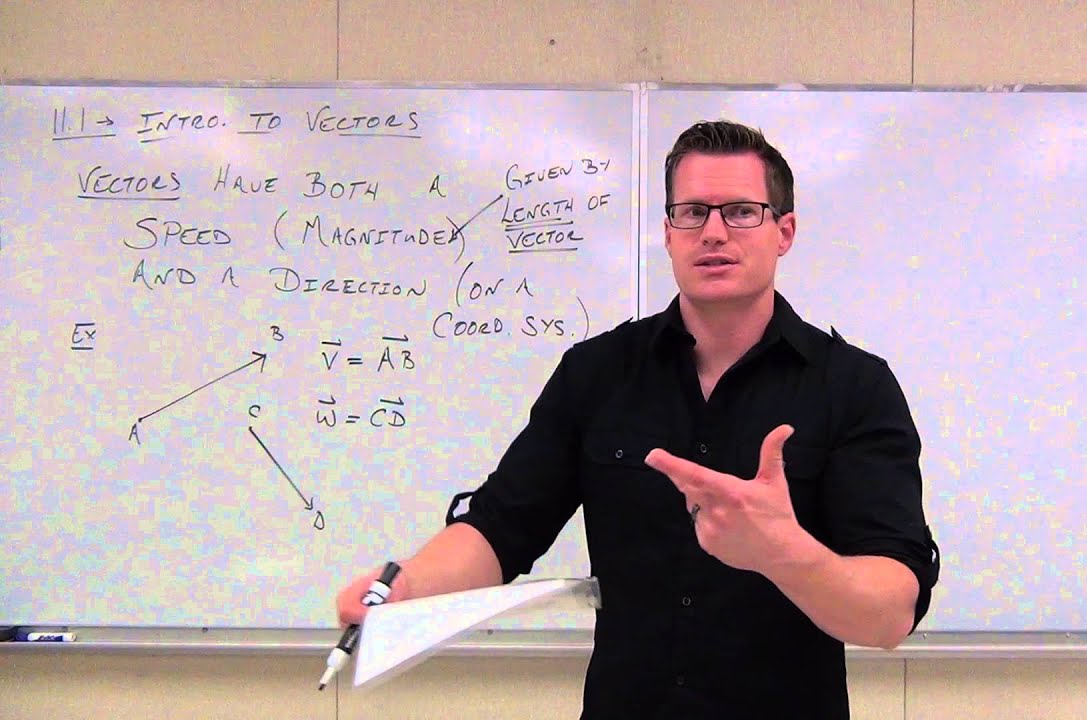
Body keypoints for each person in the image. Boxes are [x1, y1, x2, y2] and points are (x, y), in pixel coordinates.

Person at [337, 120, 940, 718]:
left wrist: (782, 551)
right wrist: (407, 588)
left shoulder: (854, 387)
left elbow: (889, 615)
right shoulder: (597, 374)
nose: (713, 232)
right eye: (692, 213)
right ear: (669, 234)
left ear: (784, 232)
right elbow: (500, 528)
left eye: (741, 212)